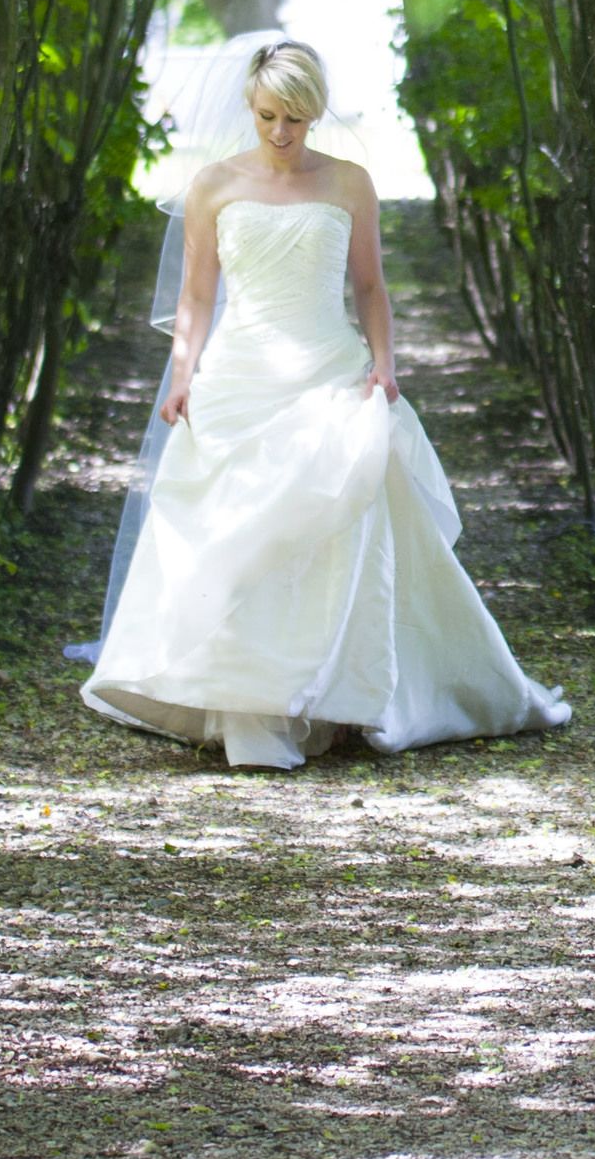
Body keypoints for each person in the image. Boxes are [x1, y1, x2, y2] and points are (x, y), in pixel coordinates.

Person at [80, 39, 568, 767]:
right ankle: (248, 700)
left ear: (314, 115)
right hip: (241, 375)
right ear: (250, 107)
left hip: (329, 370)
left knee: (346, 526)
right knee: (234, 535)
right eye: (270, 117)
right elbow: (197, 297)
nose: (282, 133)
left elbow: (370, 287)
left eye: (297, 120)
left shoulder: (349, 183)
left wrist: (384, 365)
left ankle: (342, 694)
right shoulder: (213, 185)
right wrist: (182, 374)